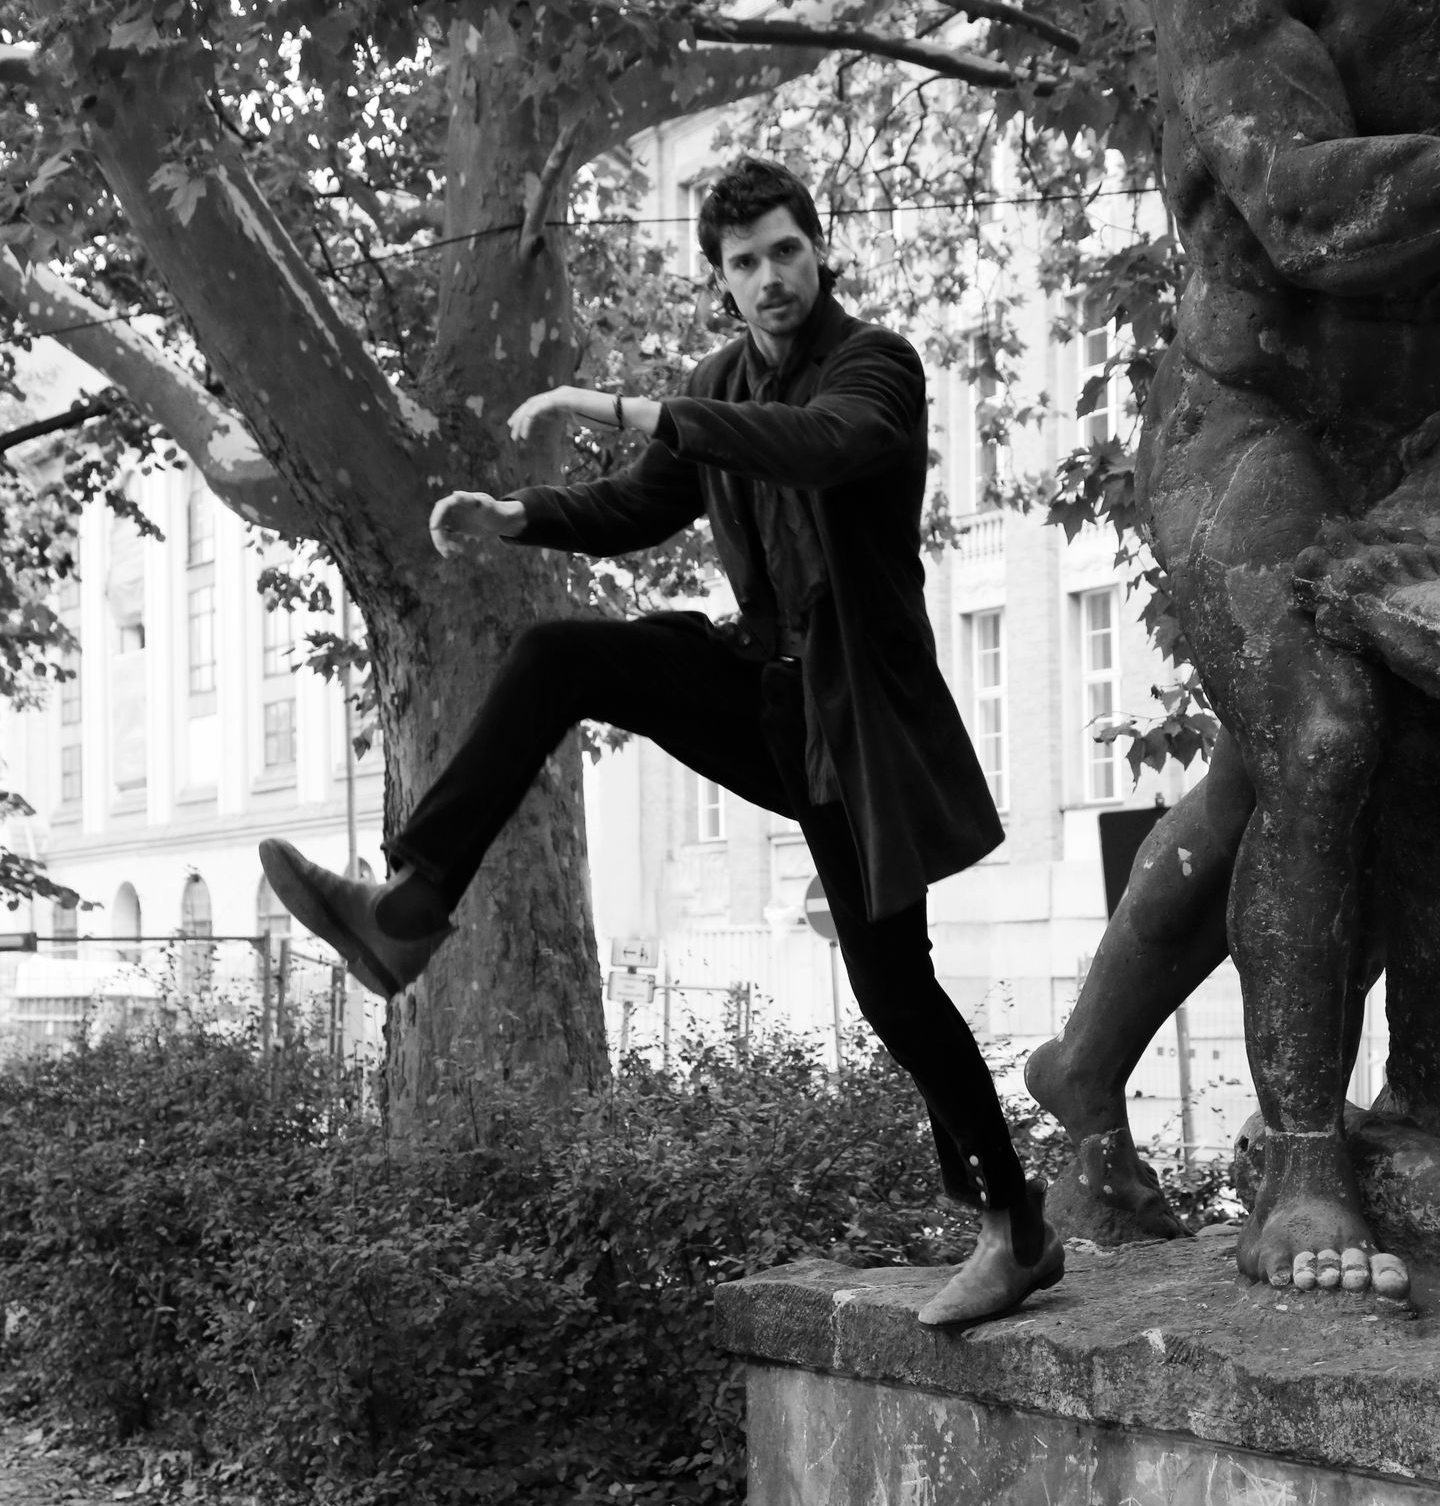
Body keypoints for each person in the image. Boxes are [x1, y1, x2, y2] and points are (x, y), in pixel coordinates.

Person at [260, 155, 1064, 1327]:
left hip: (858, 726)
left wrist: (630, 409)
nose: (771, 276)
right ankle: (409, 911)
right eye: (745, 262)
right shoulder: (717, 379)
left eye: (787, 251)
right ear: (720, 279)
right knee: (560, 656)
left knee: (895, 990)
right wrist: (522, 514)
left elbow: (818, 444)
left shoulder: (876, 366)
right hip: (761, 694)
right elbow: (644, 502)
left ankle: (1013, 1227)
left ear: (819, 250)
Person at [1119, 0, 1440, 1302]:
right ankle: (1303, 1162)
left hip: (1421, 438)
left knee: (1411, 727)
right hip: (1250, 419)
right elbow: (1305, 206)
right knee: (1317, 730)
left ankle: (1422, 1103)